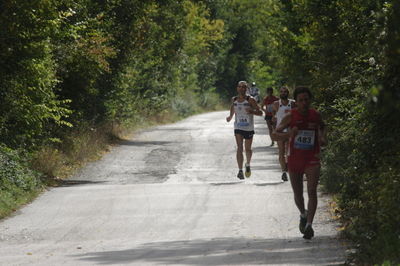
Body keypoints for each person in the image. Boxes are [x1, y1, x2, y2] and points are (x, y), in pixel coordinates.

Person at [272, 86, 327, 240]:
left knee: (312, 191)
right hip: (295, 159)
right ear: (295, 102)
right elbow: (275, 134)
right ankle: (303, 214)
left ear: (310, 100)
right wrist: (290, 134)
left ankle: (309, 225)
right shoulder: (290, 116)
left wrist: (322, 137)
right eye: (301, 100)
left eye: (306, 100)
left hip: (312, 158)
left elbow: (322, 126)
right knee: (298, 193)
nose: (304, 103)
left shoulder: (315, 115)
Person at [227, 81, 263, 179]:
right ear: (237, 88)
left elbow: (260, 112)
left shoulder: (250, 100)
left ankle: (247, 164)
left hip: (248, 127)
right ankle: (240, 170)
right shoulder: (234, 99)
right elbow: (233, 107)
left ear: (246, 89)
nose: (241, 88)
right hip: (238, 126)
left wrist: (252, 111)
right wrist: (230, 117)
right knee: (239, 147)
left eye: (244, 87)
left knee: (248, 149)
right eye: (240, 87)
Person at [272, 86, 295, 182]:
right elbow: (274, 118)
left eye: (285, 92)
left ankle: (290, 169)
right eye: (281, 92)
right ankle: (284, 172)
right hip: (280, 131)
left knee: (289, 152)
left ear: (288, 93)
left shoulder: (293, 103)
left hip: (290, 131)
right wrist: (274, 129)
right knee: (281, 152)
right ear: (279, 93)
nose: (283, 93)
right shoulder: (276, 104)